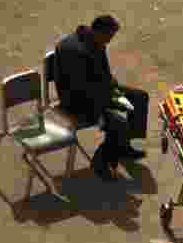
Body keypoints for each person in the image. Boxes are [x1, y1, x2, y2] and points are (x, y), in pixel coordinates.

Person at [54, 15, 149, 181]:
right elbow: (81, 88)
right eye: (109, 36)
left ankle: (123, 146)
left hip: (98, 90)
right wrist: (109, 98)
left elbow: (103, 73)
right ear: (98, 31)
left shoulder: (97, 42)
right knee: (118, 123)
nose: (110, 41)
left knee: (139, 98)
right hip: (77, 101)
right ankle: (100, 162)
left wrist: (112, 84)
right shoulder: (76, 52)